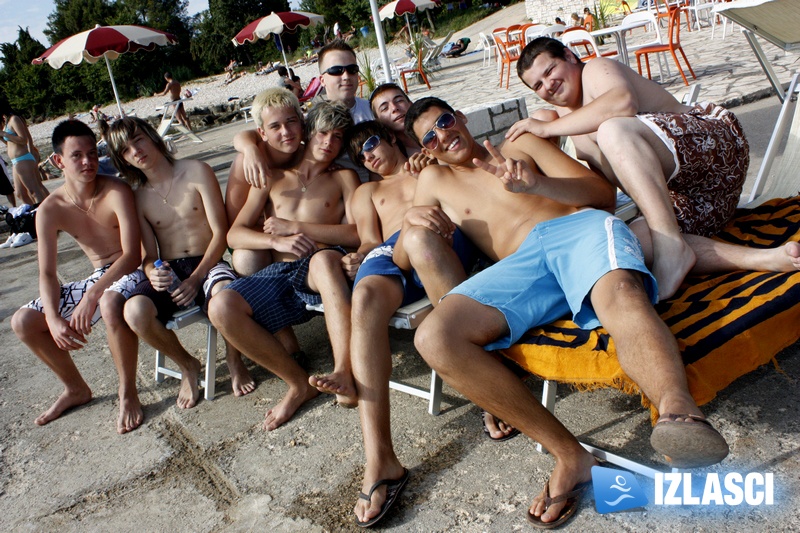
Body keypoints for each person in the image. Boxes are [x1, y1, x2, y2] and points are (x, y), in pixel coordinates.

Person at [399, 97, 731, 528]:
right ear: (427, 148)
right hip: (518, 269)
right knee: (434, 337)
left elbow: (602, 194)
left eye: (444, 121)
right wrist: (410, 218)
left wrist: (536, 184)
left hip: (576, 231)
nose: (442, 135)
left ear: (461, 117)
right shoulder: (433, 180)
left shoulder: (522, 145)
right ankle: (571, 456)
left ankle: (679, 413)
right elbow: (406, 258)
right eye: (430, 136)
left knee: (621, 295)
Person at [508, 37, 750, 300]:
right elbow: (605, 199)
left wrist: (546, 128)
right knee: (629, 239)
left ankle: (670, 246)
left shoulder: (595, 70)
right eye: (538, 85)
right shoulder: (567, 121)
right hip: (699, 203)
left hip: (718, 154)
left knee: (611, 129)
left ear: (568, 56)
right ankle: (763, 259)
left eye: (549, 71)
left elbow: (623, 102)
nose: (548, 85)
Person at [343, 121, 478, 526]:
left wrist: (430, 165)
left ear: (391, 139)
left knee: (420, 233)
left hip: (438, 236)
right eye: (359, 156)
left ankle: (488, 382)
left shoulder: (430, 163)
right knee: (364, 297)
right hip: (389, 252)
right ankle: (380, 459)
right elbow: (369, 240)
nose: (367, 156)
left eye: (370, 144)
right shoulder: (368, 192)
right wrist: (356, 256)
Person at [208, 101, 360, 430]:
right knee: (221, 307)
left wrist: (296, 227)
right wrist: (275, 242)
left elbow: (356, 231)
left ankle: (344, 371)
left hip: (323, 261)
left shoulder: (344, 177)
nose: (328, 143)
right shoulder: (272, 179)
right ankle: (298, 384)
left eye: (337, 137)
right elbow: (235, 234)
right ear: (307, 133)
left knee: (322, 261)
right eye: (322, 133)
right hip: (280, 272)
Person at [10, 119, 146, 434]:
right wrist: (55, 318)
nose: (87, 162)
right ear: (58, 161)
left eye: (92, 153)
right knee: (23, 322)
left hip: (134, 271)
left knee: (109, 303)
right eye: (76, 155)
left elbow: (132, 255)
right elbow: (46, 272)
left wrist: (92, 295)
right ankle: (75, 389)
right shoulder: (50, 208)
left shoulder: (116, 190)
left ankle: (128, 390)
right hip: (100, 276)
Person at [106, 117, 253, 403]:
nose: (135, 151)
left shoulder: (197, 171)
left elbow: (221, 233)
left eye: (138, 140)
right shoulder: (139, 198)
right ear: (123, 160)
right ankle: (188, 365)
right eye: (125, 150)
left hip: (208, 262)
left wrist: (197, 276)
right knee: (134, 311)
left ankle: (235, 360)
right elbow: (149, 254)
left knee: (225, 293)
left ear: (153, 137)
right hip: (171, 268)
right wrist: (151, 272)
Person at [1, 101, 49, 205]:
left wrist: (4, 133)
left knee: (34, 190)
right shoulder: (5, 122)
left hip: (23, 158)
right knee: (20, 193)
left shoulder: (14, 119)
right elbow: (10, 143)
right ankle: (34, 212)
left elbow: (24, 139)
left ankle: (42, 213)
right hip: (15, 161)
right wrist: (2, 137)